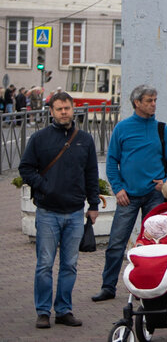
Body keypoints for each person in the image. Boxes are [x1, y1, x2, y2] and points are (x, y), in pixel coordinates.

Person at [92, 85, 167, 302]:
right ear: (137, 103)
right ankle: (108, 286)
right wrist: (118, 188)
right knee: (116, 242)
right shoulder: (122, 129)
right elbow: (112, 161)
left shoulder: (162, 129)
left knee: (157, 243)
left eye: (154, 100)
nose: (153, 104)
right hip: (128, 196)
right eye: (149, 100)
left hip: (155, 195)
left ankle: (156, 287)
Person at [18, 91, 99, 329]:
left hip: (75, 212)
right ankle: (43, 311)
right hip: (48, 212)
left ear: (73, 109)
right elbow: (26, 168)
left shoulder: (85, 139)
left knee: (69, 265)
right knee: (44, 264)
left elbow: (91, 174)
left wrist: (93, 205)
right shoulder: (40, 138)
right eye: (59, 108)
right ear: (51, 111)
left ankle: (64, 310)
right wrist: (46, 187)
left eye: (67, 108)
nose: (64, 112)